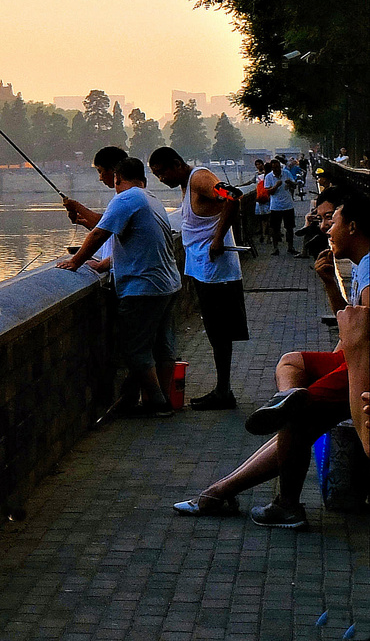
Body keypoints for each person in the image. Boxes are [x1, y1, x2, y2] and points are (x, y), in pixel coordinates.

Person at [177, 190, 370, 528]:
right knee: (291, 363)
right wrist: (328, 282)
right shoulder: (361, 266)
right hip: (352, 357)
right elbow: (350, 326)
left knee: (298, 422)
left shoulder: (369, 272)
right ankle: (288, 401)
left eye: (333, 222)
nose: (326, 229)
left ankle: (275, 501)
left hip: (362, 366)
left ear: (352, 227)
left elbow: (362, 339)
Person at [58, 155, 181, 417]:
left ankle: (158, 404)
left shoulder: (126, 198)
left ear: (117, 178)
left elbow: (100, 233)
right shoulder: (151, 199)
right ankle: (160, 399)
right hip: (167, 283)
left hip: (143, 287)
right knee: (162, 347)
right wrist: (105, 264)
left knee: (135, 349)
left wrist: (75, 262)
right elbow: (139, 242)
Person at [150, 146, 246, 409]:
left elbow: (232, 196)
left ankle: (224, 392)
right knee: (215, 333)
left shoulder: (200, 179)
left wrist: (217, 238)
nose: (162, 179)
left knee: (220, 333)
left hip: (218, 271)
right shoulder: (186, 185)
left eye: (162, 173)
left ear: (176, 164)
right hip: (203, 269)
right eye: (156, 176)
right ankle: (222, 390)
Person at [266, 158, 297, 253]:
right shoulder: (268, 177)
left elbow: (294, 185)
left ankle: (290, 247)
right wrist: (276, 186)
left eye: (278, 167)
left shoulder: (286, 173)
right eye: (274, 168)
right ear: (272, 168)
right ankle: (275, 248)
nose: (276, 170)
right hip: (276, 206)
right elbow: (268, 192)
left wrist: (290, 183)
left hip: (288, 204)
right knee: (275, 228)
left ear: (280, 167)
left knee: (290, 227)